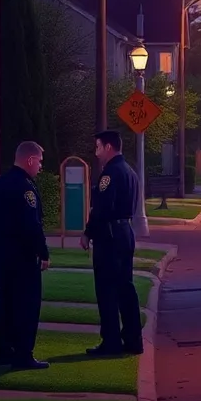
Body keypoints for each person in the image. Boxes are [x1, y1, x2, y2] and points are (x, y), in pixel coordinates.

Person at [0, 140, 50, 370]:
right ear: (30, 160)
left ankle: (4, 350)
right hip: (23, 255)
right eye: (39, 161)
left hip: (2, 252)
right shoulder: (25, 188)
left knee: (7, 302)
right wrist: (43, 253)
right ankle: (23, 354)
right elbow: (32, 226)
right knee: (27, 305)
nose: (41, 166)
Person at [81, 130, 143, 356]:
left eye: (98, 147)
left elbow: (102, 209)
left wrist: (88, 232)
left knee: (106, 289)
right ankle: (133, 340)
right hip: (125, 231)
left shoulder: (110, 174)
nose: (96, 152)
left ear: (108, 147)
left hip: (109, 235)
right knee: (126, 287)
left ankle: (111, 342)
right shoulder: (129, 171)